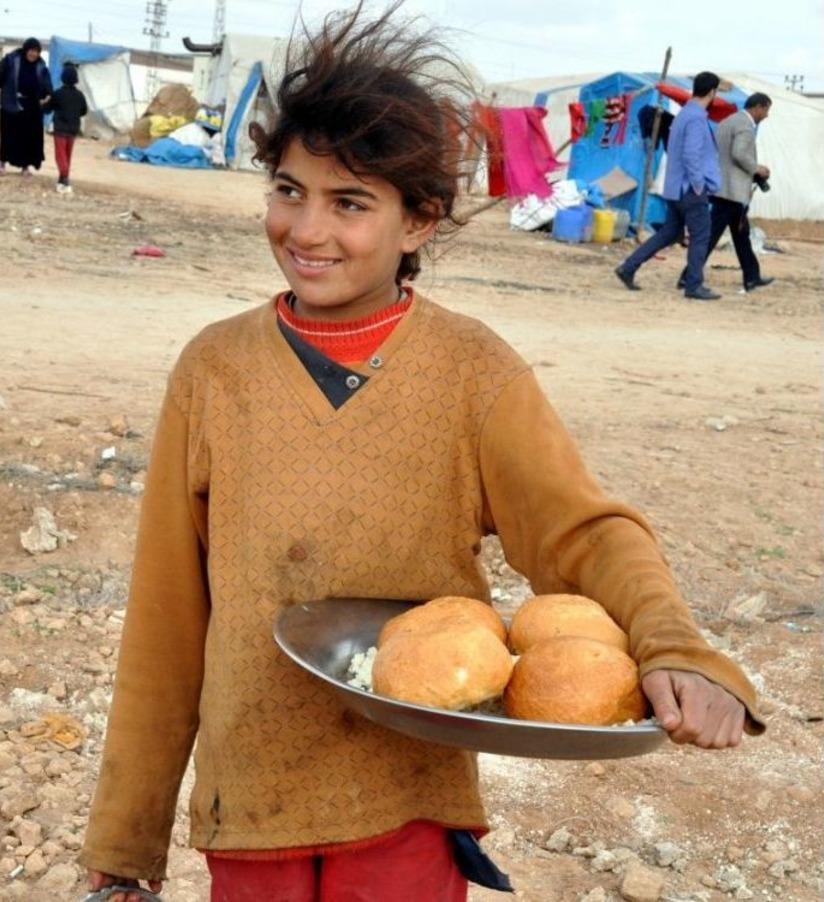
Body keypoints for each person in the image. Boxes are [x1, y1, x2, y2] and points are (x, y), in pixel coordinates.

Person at [79, 8, 763, 901]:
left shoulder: (472, 372)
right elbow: (166, 623)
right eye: (289, 191)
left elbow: (585, 533)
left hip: (407, 803)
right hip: (250, 801)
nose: (307, 229)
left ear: (419, 223)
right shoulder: (215, 371)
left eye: (350, 203)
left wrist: (677, 648)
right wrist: (125, 844)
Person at [615, 72, 724, 301]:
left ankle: (628, 267)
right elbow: (691, 155)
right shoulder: (695, 118)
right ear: (712, 92)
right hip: (689, 189)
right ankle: (693, 285)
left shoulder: (684, 114)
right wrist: (697, 185)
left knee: (669, 233)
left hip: (675, 188)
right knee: (701, 235)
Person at [680, 93, 774, 293]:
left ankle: (752, 276)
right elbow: (739, 153)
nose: (766, 115)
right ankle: (688, 276)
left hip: (723, 187)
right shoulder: (745, 126)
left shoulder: (727, 122)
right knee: (713, 235)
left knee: (741, 235)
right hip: (733, 192)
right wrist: (757, 168)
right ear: (758, 107)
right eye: (766, 110)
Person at [0, 38, 52, 176]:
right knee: (7, 135)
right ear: (26, 49)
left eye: (36, 52)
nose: (33, 54)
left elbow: (47, 84)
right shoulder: (12, 59)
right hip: (11, 103)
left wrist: (47, 95)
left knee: (28, 138)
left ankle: (25, 167)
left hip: (31, 107)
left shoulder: (40, 65)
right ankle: (2, 164)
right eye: (31, 50)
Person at [50, 62, 88, 194]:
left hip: (60, 129)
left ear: (63, 78)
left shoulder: (58, 93)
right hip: (73, 130)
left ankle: (65, 178)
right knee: (67, 155)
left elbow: (48, 108)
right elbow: (84, 111)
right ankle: (62, 179)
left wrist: (42, 104)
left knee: (60, 156)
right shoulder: (80, 95)